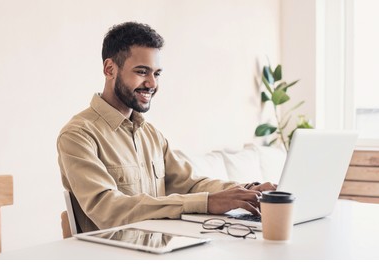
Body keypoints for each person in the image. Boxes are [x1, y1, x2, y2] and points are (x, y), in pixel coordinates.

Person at [57, 22, 275, 233]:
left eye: (156, 73)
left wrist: (247, 191)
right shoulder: (78, 135)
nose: (152, 83)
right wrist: (206, 203)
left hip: (160, 252)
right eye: (142, 72)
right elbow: (108, 209)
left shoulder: (150, 134)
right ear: (110, 69)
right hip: (113, 259)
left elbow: (189, 184)